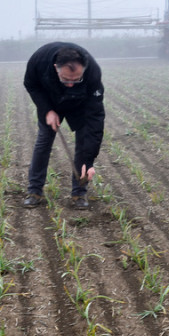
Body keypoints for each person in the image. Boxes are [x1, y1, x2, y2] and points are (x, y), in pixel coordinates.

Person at [22, 42, 105, 210]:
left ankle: (79, 193)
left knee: (83, 145)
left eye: (76, 79)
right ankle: (34, 191)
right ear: (55, 68)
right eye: (66, 79)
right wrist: (47, 110)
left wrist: (88, 162)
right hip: (51, 102)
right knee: (44, 141)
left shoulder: (93, 72)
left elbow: (95, 120)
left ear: (84, 68)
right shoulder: (39, 60)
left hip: (79, 105)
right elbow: (31, 84)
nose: (71, 84)